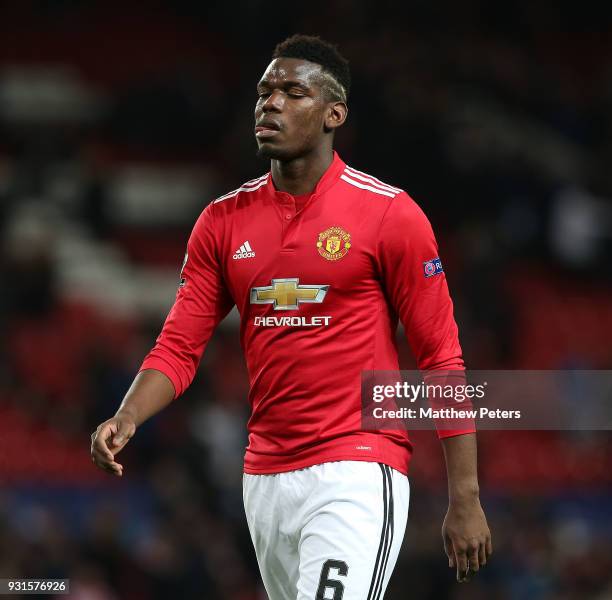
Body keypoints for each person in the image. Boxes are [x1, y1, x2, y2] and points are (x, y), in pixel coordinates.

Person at [91, 34, 492, 599]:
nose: (270, 103)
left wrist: (466, 497)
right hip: (264, 480)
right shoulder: (221, 223)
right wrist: (128, 415)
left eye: (292, 92)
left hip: (356, 466)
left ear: (335, 114)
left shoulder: (389, 216)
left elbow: (442, 359)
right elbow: (180, 347)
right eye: (264, 92)